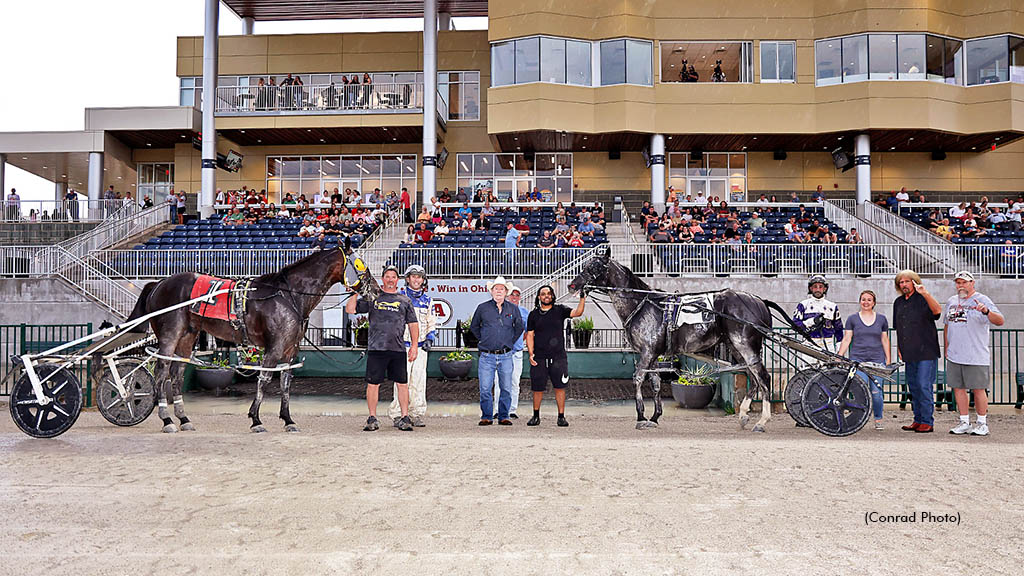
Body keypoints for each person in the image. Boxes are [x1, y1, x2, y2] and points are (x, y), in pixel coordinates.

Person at [345, 265, 419, 432]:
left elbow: (413, 324)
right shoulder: (373, 297)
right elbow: (351, 309)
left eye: (393, 276)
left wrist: (414, 345)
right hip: (377, 349)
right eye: (387, 276)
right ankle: (372, 418)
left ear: (397, 280)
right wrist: (355, 292)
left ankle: (405, 417)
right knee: (373, 384)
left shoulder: (404, 301)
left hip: (398, 349)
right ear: (382, 279)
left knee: (402, 384)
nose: (390, 279)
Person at [944, 271, 1003, 436]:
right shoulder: (951, 301)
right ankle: (964, 421)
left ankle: (982, 422)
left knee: (978, 388)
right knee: (958, 388)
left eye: (964, 282)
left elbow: (1000, 320)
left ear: (972, 283)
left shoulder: (983, 299)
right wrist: (947, 346)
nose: (960, 285)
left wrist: (986, 312)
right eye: (958, 282)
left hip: (976, 354)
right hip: (956, 354)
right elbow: (947, 325)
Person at [526, 285, 586, 427]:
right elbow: (530, 335)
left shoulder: (560, 310)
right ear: (539, 297)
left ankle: (561, 417)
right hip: (539, 358)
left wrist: (582, 298)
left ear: (552, 296)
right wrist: (531, 353)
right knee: (537, 388)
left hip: (558, 357)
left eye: (548, 293)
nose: (546, 296)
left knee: (560, 387)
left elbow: (578, 312)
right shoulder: (533, 315)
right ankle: (535, 416)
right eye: (543, 294)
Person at [892, 270, 942, 433]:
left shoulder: (923, 298)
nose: (904, 284)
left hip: (926, 350)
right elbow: (899, 327)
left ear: (914, 282)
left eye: (907, 281)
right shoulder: (898, 302)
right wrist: (899, 347)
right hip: (909, 351)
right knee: (913, 386)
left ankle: (927, 421)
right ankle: (918, 419)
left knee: (923, 385)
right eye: (901, 282)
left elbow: (937, 312)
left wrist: (925, 293)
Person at [471, 276, 525, 426]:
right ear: (491, 291)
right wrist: (484, 339)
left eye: (502, 289)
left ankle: (504, 416)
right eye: (496, 288)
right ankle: (487, 416)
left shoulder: (513, 309)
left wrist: (509, 342)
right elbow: (474, 327)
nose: (499, 291)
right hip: (486, 356)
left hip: (506, 355)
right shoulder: (482, 308)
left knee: (506, 388)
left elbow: (519, 327)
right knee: (485, 388)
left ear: (506, 292)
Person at [387, 265, 437, 428]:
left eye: (419, 277)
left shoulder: (428, 301)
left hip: (421, 347)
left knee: (419, 381)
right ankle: (397, 415)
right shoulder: (398, 297)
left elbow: (431, 322)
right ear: (407, 279)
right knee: (401, 381)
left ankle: (416, 413)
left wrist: (430, 337)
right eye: (413, 276)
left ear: (423, 280)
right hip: (402, 347)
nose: (416, 280)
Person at [837, 290, 892, 430]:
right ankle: (858, 419)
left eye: (869, 300)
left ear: (874, 303)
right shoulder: (852, 319)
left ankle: (878, 418)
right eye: (863, 299)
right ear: (859, 301)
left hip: (877, 361)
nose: (866, 302)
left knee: (876, 393)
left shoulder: (881, 319)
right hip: (858, 361)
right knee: (859, 392)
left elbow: (885, 339)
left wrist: (888, 359)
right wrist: (840, 355)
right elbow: (847, 338)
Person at [489, 284, 531, 420]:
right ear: (508, 295)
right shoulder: (499, 310)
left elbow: (527, 331)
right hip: (500, 353)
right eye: (512, 294)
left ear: (519, 297)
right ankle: (497, 410)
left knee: (514, 382)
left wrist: (518, 341)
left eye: (517, 295)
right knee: (499, 382)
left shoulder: (525, 313)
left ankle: (512, 409)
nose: (514, 297)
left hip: (516, 353)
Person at [792, 275, 843, 354]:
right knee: (808, 366)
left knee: (830, 366)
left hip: (828, 344)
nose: (818, 289)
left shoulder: (832, 306)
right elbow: (795, 324)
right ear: (811, 288)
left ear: (825, 289)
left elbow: (838, 329)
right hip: (809, 343)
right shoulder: (803, 305)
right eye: (815, 287)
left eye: (820, 287)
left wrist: (839, 348)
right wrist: (811, 322)